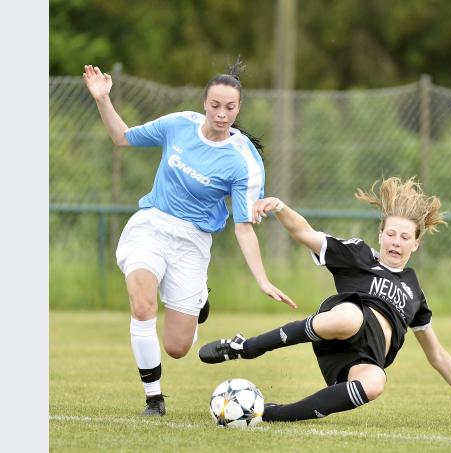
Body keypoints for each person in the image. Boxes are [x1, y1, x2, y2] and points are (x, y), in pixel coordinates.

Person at [199, 177, 451, 425]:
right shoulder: (359, 255)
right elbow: (305, 233)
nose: (396, 242)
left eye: (405, 237)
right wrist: (280, 207)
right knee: (351, 317)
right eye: (391, 234)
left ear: (416, 244)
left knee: (376, 382)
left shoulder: (415, 292)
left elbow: (437, 355)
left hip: (362, 356)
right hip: (342, 322)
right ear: (380, 234)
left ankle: (270, 414)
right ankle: (245, 347)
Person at [82, 60, 295, 416]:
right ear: (204, 102)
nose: (222, 114)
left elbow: (243, 226)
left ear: (239, 108)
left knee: (177, 347)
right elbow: (122, 137)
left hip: (192, 242)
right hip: (151, 225)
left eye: (230, 107)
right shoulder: (179, 124)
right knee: (143, 306)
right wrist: (103, 98)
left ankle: (198, 300)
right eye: (215, 105)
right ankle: (154, 398)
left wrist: (262, 279)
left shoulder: (244, 160)